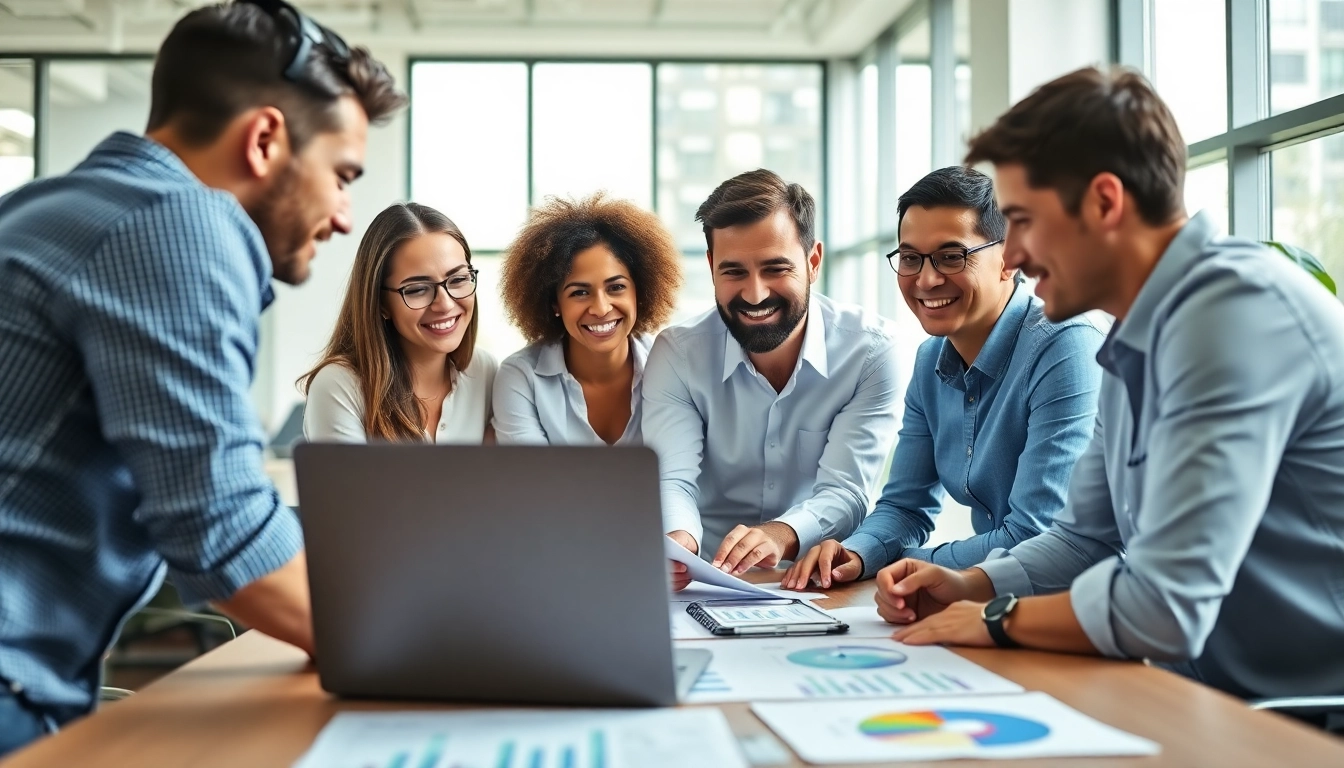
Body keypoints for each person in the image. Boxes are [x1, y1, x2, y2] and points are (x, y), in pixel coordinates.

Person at [0, 1, 404, 755]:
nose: (346, 215)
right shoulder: (176, 221)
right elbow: (224, 533)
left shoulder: (51, 209)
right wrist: (445, 645)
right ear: (264, 140)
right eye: (341, 175)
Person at [874, 66, 1344, 703]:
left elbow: (1164, 607)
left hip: (1303, 717)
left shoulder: (1234, 313)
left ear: (1104, 202)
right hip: (1203, 698)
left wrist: (996, 617)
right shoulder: (1135, 335)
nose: (1012, 258)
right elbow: (1083, 541)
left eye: (1023, 223)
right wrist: (971, 585)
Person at [781, 167, 1103, 590]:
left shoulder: (1067, 346)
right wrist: (857, 553)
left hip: (1095, 613)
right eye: (910, 258)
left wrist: (906, 562)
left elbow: (1034, 537)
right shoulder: (930, 360)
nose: (927, 279)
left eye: (952, 256)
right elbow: (905, 505)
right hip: (998, 601)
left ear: (1009, 258)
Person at [643, 169, 902, 590]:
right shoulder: (678, 354)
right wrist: (679, 542)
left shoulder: (870, 352)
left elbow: (847, 492)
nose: (756, 294)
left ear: (813, 261)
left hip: (815, 582)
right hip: (701, 581)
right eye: (734, 272)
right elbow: (673, 479)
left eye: (775, 268)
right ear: (711, 267)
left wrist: (780, 534)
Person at [492, 193, 682, 445]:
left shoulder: (672, 368)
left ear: (640, 291)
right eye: (579, 292)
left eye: (616, 287)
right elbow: (533, 480)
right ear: (554, 303)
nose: (601, 308)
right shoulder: (522, 377)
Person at [301, 202, 496, 443]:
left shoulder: (484, 371)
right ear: (381, 302)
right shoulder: (339, 386)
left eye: (458, 279)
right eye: (417, 289)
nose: (445, 304)